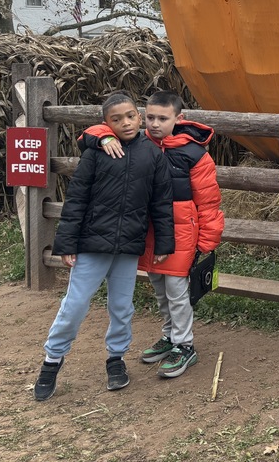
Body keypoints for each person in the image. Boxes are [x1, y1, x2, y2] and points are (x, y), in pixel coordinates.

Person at [33, 92, 173, 401]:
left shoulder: (153, 155)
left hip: (127, 247)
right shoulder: (96, 152)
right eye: (116, 119)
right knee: (75, 304)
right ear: (105, 123)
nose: (125, 123)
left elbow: (161, 203)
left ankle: (116, 359)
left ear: (139, 117)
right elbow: (77, 198)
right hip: (93, 244)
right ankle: (51, 362)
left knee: (121, 307)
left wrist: (164, 241)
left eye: (130, 116)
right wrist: (66, 241)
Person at [83, 91, 225, 378]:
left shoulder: (194, 154)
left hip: (182, 230)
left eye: (163, 118)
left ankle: (185, 345)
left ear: (178, 118)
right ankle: (170, 335)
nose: (155, 124)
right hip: (148, 229)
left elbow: (209, 201)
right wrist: (105, 137)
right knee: (159, 286)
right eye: (150, 118)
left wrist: (208, 240)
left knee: (176, 289)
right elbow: (91, 132)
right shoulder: (137, 143)